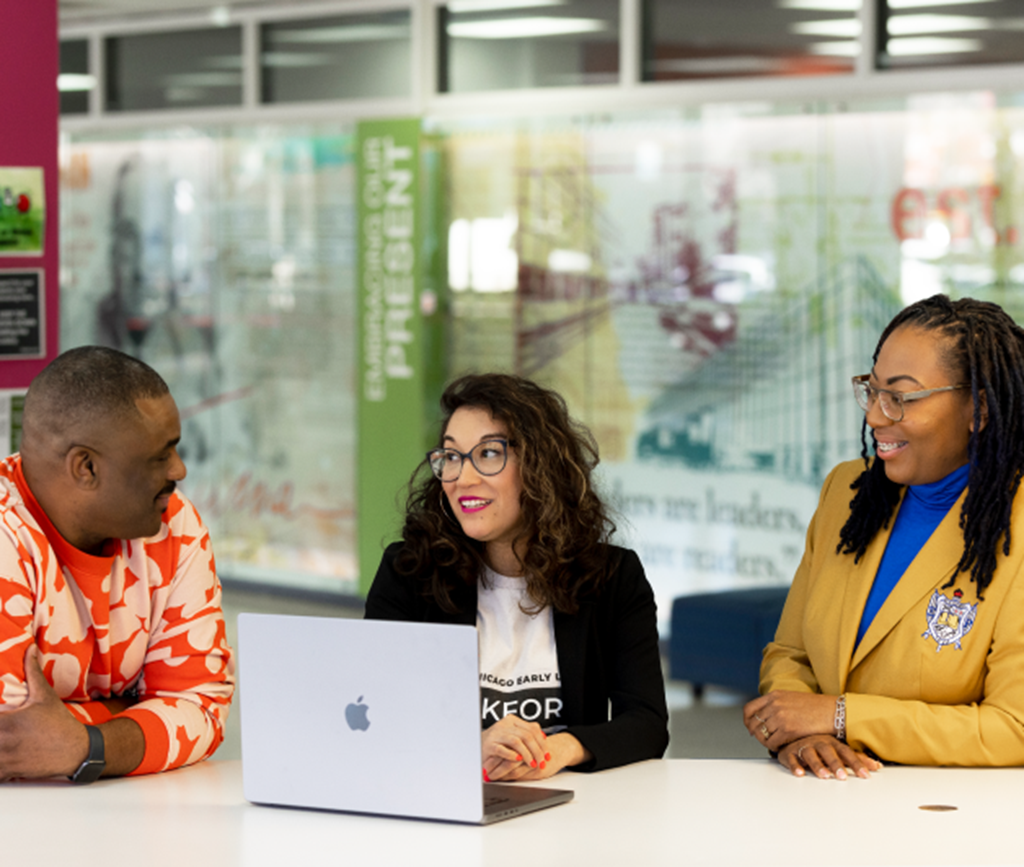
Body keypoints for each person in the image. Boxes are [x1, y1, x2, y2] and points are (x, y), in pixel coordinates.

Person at [744, 294, 1024, 780]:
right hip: (824, 805)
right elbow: (791, 653)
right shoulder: (846, 491)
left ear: (978, 409)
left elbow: (1013, 727)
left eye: (900, 397)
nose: (874, 416)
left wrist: (839, 717)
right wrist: (804, 733)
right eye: (871, 391)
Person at [365, 373, 668, 780]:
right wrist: (474, 745)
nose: (462, 478)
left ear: (541, 465)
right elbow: (376, 712)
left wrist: (559, 749)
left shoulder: (612, 577)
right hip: (446, 798)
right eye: (451, 457)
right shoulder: (410, 571)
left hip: (571, 810)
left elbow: (647, 724)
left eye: (489, 454)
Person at [0, 346, 234, 782]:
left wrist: (85, 746)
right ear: (85, 467)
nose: (179, 470)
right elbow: (14, 738)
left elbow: (202, 707)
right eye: (159, 457)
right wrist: (136, 707)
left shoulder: (174, 524)